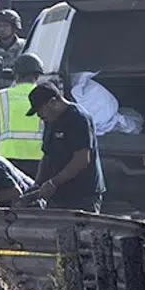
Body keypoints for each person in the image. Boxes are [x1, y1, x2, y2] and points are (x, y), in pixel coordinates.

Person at [25, 82, 106, 212]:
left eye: (40, 110)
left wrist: (53, 183)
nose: (39, 115)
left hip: (82, 197)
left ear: (53, 102)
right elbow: (47, 155)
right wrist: (38, 184)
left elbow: (82, 159)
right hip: (59, 195)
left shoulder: (78, 118)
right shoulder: (50, 120)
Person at [0, 53, 46, 178]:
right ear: (37, 75)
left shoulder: (3, 96)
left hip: (8, 158)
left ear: (16, 75)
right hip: (38, 159)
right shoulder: (45, 96)